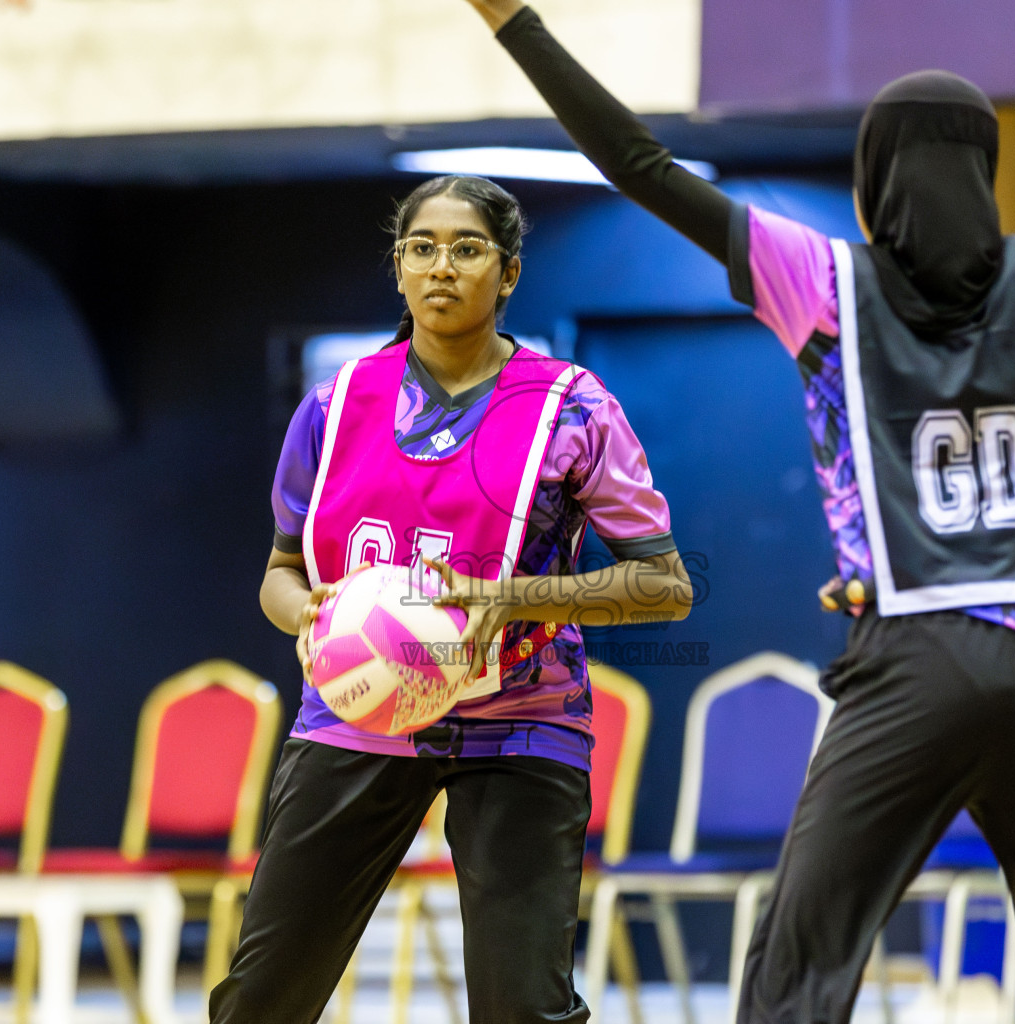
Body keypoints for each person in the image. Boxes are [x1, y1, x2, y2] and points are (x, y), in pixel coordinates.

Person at [453, 3, 1015, 1021]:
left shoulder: (822, 279)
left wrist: (515, 22)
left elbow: (640, 164)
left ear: (872, 175)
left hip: (915, 659)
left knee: (800, 963)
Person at [208, 173, 693, 1024]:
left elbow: (665, 585)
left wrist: (517, 597)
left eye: (467, 249)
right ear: (397, 268)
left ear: (507, 274)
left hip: (522, 719)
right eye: (421, 249)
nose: (441, 267)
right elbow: (281, 573)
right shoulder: (332, 406)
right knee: (262, 998)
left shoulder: (571, 408)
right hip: (358, 710)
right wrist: (305, 617)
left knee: (522, 1009)